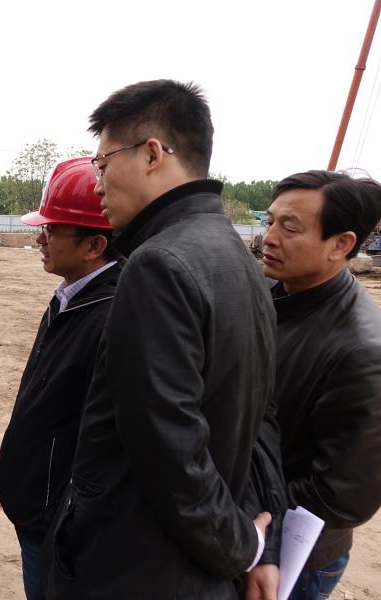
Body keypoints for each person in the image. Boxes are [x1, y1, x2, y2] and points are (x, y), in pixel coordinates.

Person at [41, 80, 276, 599]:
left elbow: (168, 446)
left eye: (102, 164)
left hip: (137, 565)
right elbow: (259, 419)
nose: (97, 185)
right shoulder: (237, 257)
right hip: (191, 565)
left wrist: (241, 547)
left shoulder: (158, 265)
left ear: (151, 154)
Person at [250, 170, 381, 600]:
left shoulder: (362, 350)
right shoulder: (272, 294)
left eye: (290, 228)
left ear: (341, 244)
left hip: (293, 557)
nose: (269, 238)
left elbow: (344, 495)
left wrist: (245, 508)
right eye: (270, 221)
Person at [0, 158, 120, 600]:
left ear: (94, 245)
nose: (39, 238)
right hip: (39, 510)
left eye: (51, 230)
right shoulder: (72, 296)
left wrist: (62, 517)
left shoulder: (112, 316)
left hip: (57, 523)